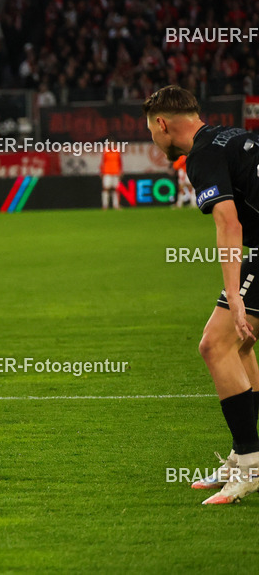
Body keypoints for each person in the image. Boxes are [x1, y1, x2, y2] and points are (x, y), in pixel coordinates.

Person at [145, 84, 259, 504]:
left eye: (151, 133)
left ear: (162, 124)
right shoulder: (232, 136)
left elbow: (228, 225)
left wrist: (235, 293)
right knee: (242, 343)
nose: (154, 142)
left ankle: (250, 463)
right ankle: (245, 454)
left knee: (215, 344)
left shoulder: (203, 154)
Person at [100, 141, 122, 209]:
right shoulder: (105, 151)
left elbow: (120, 162)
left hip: (115, 172)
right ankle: (105, 206)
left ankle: (116, 205)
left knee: (115, 189)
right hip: (107, 172)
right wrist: (102, 172)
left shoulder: (117, 152)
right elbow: (102, 162)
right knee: (106, 189)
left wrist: (120, 171)